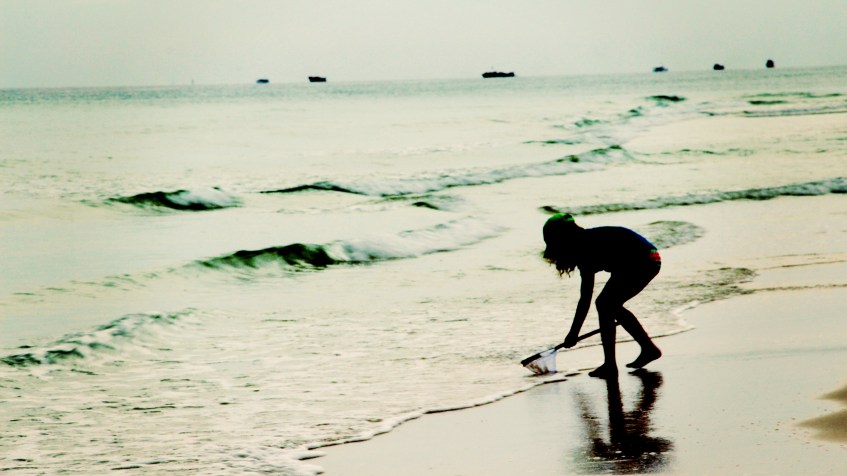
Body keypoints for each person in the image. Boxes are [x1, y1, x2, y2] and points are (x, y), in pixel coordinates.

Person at [542, 213, 662, 378]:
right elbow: (586, 297)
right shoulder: (585, 241)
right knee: (609, 305)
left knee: (605, 304)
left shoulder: (584, 248)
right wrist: (574, 333)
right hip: (647, 258)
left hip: (642, 260)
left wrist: (573, 334)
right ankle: (647, 349)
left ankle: (611, 365)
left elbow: (585, 299)